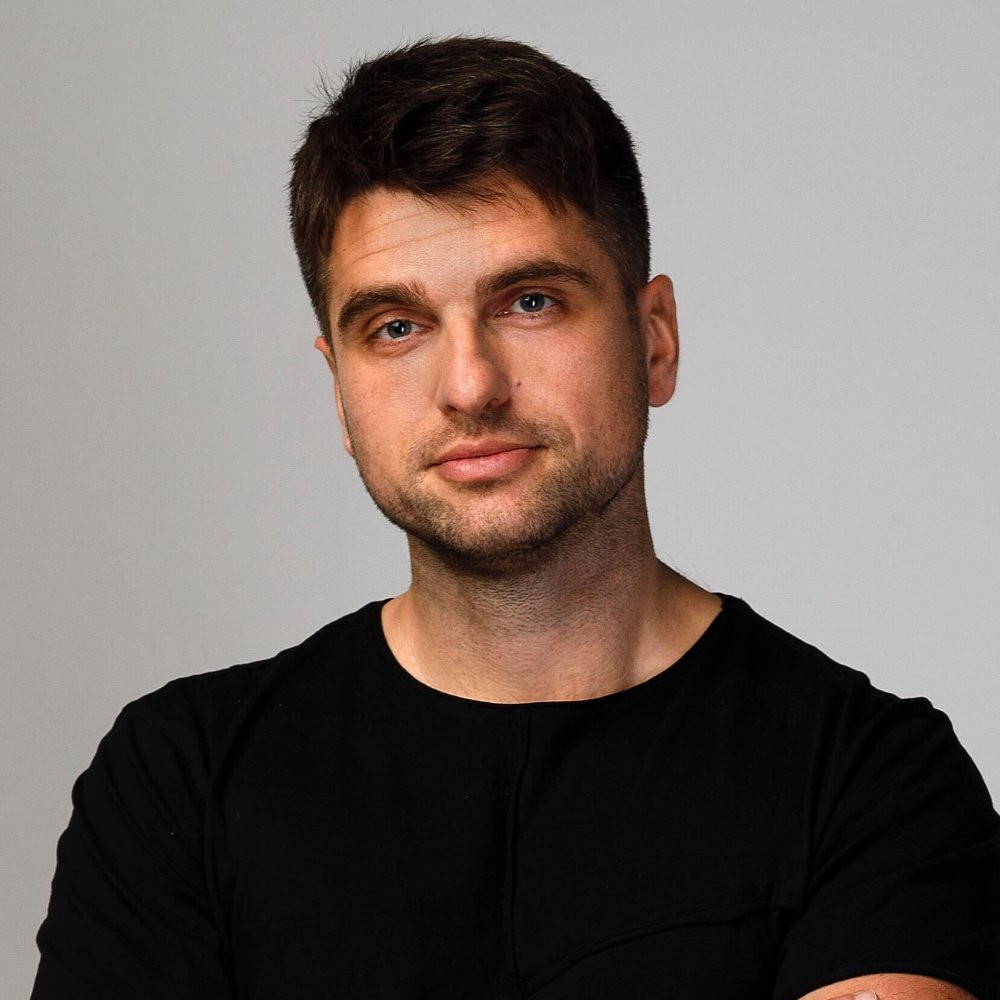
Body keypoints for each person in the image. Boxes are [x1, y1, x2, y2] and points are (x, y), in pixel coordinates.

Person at [32, 36, 999, 1000]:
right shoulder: (179, 782)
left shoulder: (875, 783)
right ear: (339, 391)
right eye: (396, 328)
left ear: (654, 340)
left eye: (530, 301)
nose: (469, 386)